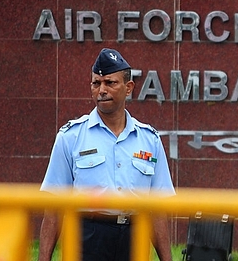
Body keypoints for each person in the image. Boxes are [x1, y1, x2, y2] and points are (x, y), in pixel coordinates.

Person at [38, 48, 176, 261]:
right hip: (88, 237)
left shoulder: (149, 139)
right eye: (96, 83)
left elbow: (157, 210)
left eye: (110, 83)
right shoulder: (71, 137)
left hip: (135, 237)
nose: (101, 90)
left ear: (129, 87)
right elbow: (54, 207)